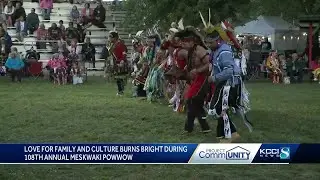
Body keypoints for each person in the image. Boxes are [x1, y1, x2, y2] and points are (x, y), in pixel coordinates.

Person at [174, 26, 211, 134]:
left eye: (185, 42)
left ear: (191, 41)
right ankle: (205, 127)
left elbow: (209, 64)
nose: (182, 44)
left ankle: (188, 128)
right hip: (195, 80)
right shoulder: (190, 51)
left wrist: (197, 71)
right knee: (196, 104)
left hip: (203, 79)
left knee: (192, 101)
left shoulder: (200, 50)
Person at [108, 31, 128, 96]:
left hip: (120, 62)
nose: (109, 38)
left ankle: (121, 91)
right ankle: (120, 91)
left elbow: (124, 53)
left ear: (115, 38)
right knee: (117, 77)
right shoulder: (112, 45)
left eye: (111, 37)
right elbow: (110, 53)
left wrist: (122, 61)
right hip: (115, 63)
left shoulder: (120, 44)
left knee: (120, 77)